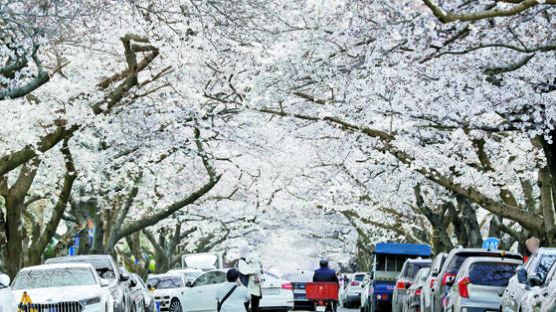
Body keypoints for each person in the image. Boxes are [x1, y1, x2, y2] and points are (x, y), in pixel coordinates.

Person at [237, 242, 264, 312]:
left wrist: (258, 270)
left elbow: (260, 271)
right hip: (247, 288)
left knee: (255, 308)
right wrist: (257, 270)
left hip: (256, 287)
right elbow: (246, 271)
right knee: (244, 308)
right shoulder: (241, 261)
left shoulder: (254, 259)